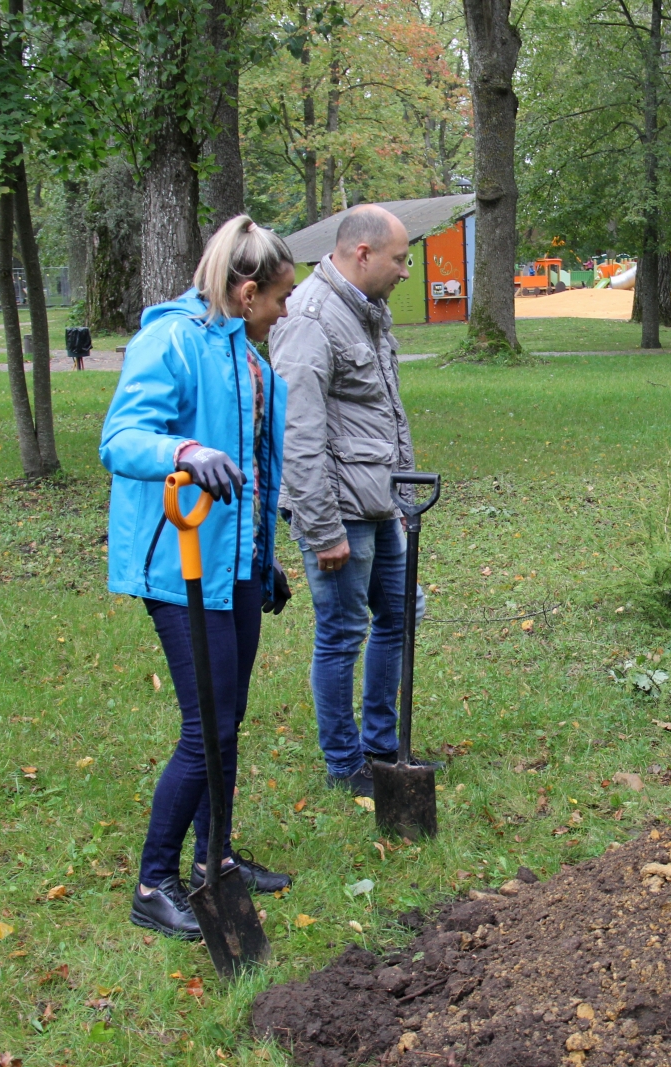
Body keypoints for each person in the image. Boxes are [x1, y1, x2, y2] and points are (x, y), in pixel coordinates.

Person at [99, 215, 298, 939]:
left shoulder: (250, 357)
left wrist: (264, 554)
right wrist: (184, 446)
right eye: (278, 297)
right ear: (246, 292)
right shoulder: (173, 338)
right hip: (178, 564)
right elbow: (121, 437)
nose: (284, 311)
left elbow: (259, 467)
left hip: (235, 561)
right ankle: (155, 881)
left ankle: (214, 859)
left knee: (229, 715)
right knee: (206, 726)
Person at [271, 204, 433, 799]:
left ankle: (383, 748)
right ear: (361, 253)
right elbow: (299, 433)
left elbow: (376, 414)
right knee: (342, 633)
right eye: (399, 259)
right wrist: (321, 529)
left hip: (379, 502)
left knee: (399, 614)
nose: (407, 271)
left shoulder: (366, 312)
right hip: (337, 512)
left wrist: (398, 492)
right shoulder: (312, 317)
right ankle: (346, 764)